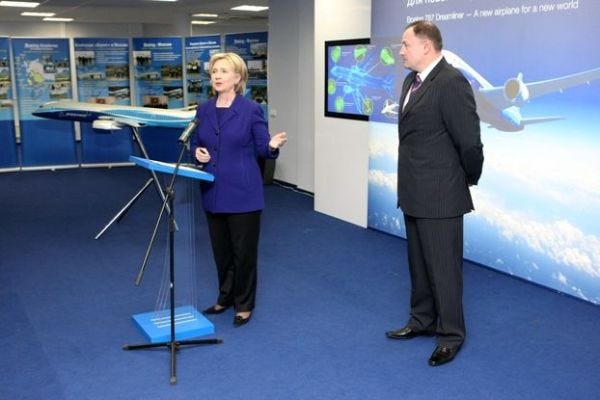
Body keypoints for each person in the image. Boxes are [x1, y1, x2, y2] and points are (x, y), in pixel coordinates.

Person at [385, 21, 484, 366]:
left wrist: (465, 179)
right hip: (413, 191)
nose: (400, 51)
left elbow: (469, 143)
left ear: (426, 46)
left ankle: (451, 335)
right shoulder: (413, 82)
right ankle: (422, 321)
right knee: (419, 267)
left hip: (442, 195)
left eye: (405, 44)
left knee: (443, 270)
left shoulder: (451, 82)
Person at [190, 52, 287, 327]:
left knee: (243, 253)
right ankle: (225, 296)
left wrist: (271, 146)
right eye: (214, 72)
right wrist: (196, 152)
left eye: (223, 71)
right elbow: (196, 141)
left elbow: (261, 147)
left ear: (237, 77)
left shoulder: (250, 109)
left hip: (243, 193)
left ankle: (244, 303)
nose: (217, 76)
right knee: (221, 251)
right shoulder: (204, 109)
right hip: (212, 191)